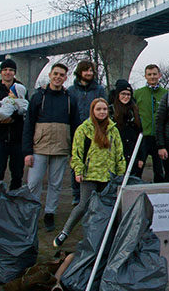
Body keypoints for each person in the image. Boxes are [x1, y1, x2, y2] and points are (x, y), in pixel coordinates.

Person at [55, 97, 125, 248]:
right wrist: (78, 171)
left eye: (104, 109)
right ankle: (65, 232)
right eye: (98, 109)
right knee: (83, 205)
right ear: (93, 111)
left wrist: (120, 174)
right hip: (89, 175)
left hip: (108, 175)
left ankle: (104, 237)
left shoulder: (113, 130)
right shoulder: (84, 129)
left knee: (107, 207)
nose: (102, 112)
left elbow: (119, 154)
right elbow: (77, 153)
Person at [23, 62, 78, 232]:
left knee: (56, 184)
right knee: (33, 183)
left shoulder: (70, 99)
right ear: (50, 75)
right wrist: (27, 152)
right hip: (39, 148)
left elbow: (75, 126)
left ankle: (49, 214)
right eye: (56, 74)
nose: (58, 77)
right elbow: (29, 125)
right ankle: (31, 213)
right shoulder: (38, 96)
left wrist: (73, 152)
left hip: (61, 149)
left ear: (65, 77)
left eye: (62, 75)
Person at [67, 60, 106, 207]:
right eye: (86, 71)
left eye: (91, 71)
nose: (88, 73)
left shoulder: (99, 90)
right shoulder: (71, 90)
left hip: (95, 132)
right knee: (76, 162)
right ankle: (76, 195)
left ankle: (95, 193)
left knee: (95, 162)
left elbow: (104, 109)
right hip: (76, 131)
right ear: (80, 72)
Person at [0, 58, 27, 190]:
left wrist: (12, 118)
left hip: (17, 140)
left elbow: (25, 110)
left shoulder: (21, 90)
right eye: (5, 70)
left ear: (14, 73)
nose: (8, 73)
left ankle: (14, 202)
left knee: (17, 175)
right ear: (1, 72)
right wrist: (0, 119)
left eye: (11, 70)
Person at [133, 64, 168, 182]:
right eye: (149, 74)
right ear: (145, 76)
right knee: (138, 167)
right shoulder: (138, 93)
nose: (152, 77)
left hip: (159, 137)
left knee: (159, 169)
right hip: (143, 136)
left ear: (159, 75)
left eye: (154, 74)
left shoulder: (166, 93)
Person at [111, 79, 145, 176]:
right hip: (117, 155)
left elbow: (140, 135)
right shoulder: (111, 111)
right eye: (123, 94)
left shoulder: (134, 111)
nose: (126, 97)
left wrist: (141, 157)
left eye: (128, 94)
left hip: (133, 154)